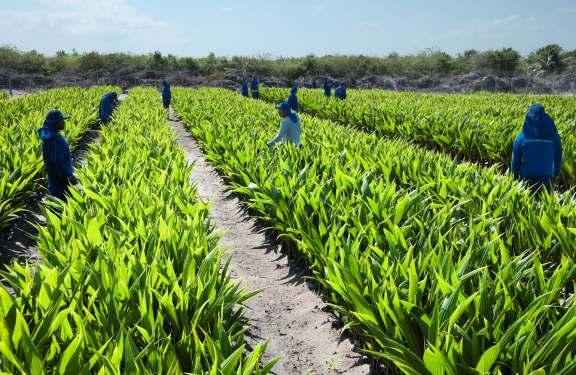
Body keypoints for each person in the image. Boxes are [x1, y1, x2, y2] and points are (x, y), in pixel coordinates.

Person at [511, 104, 562, 193]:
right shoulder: (554, 137)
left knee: (528, 205)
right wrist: (556, 174)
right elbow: (558, 158)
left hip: (526, 178)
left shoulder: (521, 138)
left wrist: (514, 177)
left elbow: (515, 161)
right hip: (546, 178)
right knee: (544, 204)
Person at [38, 109, 78, 199]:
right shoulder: (54, 140)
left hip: (56, 180)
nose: (64, 122)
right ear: (55, 123)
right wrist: (69, 177)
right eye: (62, 121)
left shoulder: (51, 135)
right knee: (62, 206)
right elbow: (57, 163)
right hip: (61, 183)